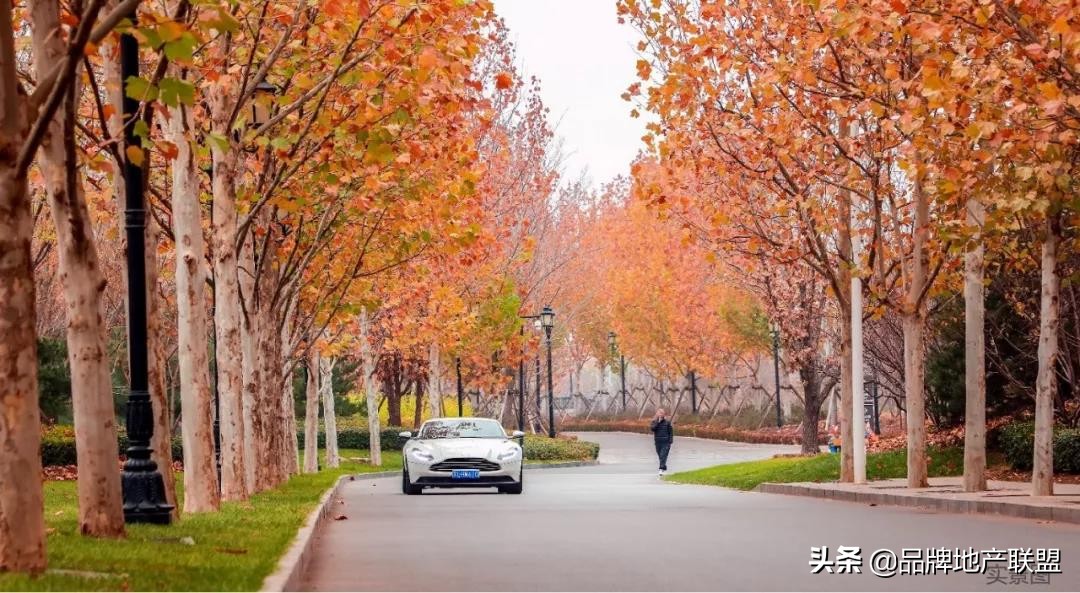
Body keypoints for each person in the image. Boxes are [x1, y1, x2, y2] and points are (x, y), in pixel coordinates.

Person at [649, 408, 674, 475]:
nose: (660, 414)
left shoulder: (667, 422)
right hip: (658, 442)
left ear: (663, 414)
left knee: (663, 455)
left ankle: (661, 469)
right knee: (660, 456)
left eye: (662, 413)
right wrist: (658, 422)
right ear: (657, 414)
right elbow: (653, 429)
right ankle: (664, 466)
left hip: (666, 442)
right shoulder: (654, 422)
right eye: (659, 413)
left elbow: (670, 431)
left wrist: (670, 440)